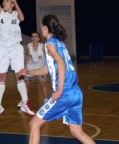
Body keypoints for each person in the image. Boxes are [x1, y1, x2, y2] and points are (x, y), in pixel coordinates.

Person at [19, 15, 96, 144]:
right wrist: (28, 72)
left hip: (64, 93)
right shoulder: (59, 43)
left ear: (44, 28)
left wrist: (59, 90)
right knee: (77, 132)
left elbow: (61, 64)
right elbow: (46, 69)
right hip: (76, 93)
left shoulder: (49, 44)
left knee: (34, 124)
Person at [17, 32, 49, 108]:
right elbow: (28, 56)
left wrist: (48, 66)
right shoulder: (29, 46)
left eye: (36, 36)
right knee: (27, 84)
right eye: (32, 36)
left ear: (39, 39)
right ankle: (23, 100)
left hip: (40, 68)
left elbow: (48, 56)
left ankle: (46, 100)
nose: (34, 38)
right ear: (31, 38)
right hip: (30, 67)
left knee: (43, 84)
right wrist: (24, 67)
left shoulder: (43, 47)